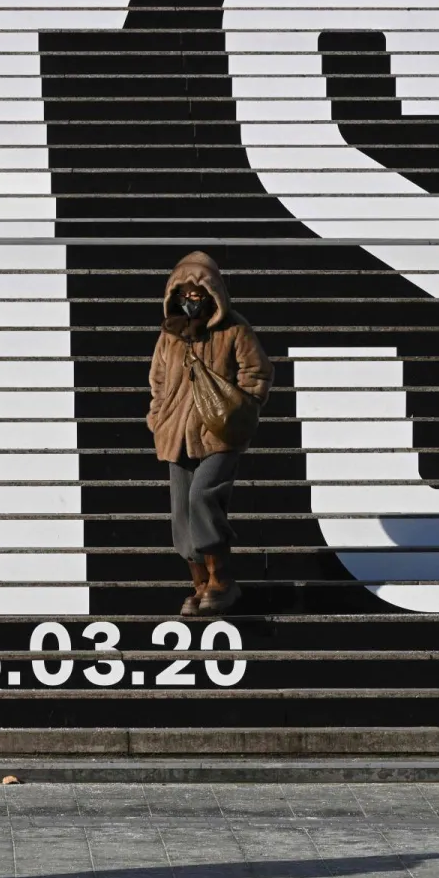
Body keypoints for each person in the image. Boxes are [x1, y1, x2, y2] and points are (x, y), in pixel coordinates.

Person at [147, 252, 274, 616]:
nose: (191, 300)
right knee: (181, 515)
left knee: (203, 496)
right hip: (175, 433)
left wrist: (242, 409)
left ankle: (222, 581)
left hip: (219, 434)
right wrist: (157, 417)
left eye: (198, 294)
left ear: (214, 294)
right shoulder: (169, 335)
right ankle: (201, 586)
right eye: (184, 294)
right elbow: (157, 380)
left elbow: (258, 371)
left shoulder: (234, 329)